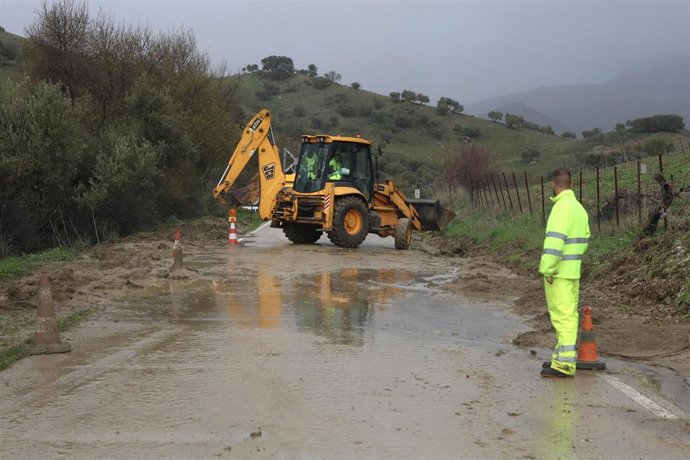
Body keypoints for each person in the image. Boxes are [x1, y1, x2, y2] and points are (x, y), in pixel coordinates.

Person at [539, 168, 590, 378]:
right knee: (568, 315)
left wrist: (547, 269)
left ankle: (564, 364)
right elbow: (585, 238)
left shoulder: (561, 208)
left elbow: (554, 242)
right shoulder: (579, 208)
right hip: (573, 270)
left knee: (563, 318)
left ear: (554, 184)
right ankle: (560, 358)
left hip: (558, 272)